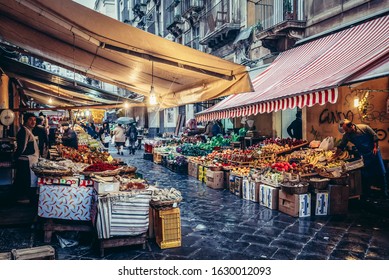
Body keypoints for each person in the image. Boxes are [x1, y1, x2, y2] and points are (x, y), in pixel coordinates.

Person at [335, 119, 388, 198]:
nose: (345, 131)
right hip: (364, 155)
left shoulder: (364, 127)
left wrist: (375, 148)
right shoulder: (347, 135)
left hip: (374, 152)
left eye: (346, 129)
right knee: (366, 173)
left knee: (380, 171)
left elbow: (375, 137)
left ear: (351, 126)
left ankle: (384, 191)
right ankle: (368, 191)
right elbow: (341, 145)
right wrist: (335, 155)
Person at [14, 113, 40, 203]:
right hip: (26, 161)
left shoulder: (28, 131)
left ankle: (24, 198)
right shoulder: (24, 131)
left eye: (34, 120)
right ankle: (22, 199)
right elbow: (22, 147)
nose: (33, 122)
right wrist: (15, 158)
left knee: (27, 181)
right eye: (30, 119)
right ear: (25, 121)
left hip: (29, 161)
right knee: (25, 181)